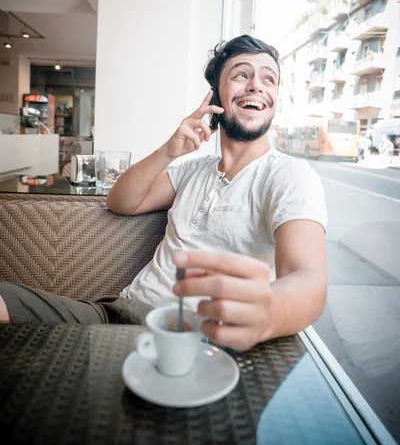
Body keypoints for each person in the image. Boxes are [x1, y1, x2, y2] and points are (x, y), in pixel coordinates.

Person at [0, 35, 327, 352]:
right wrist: (169, 150)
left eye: (269, 79)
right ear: (215, 96)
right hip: (116, 313)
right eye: (242, 74)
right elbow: (121, 201)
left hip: (191, 342)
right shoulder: (193, 170)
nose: (257, 85)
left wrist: (268, 315)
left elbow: (307, 279)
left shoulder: (289, 175)